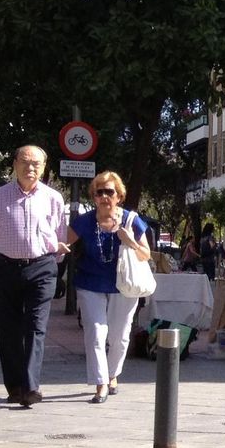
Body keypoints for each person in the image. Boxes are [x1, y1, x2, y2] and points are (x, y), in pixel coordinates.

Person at [0, 145, 72, 407]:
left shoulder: (54, 198)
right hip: (5, 268)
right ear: (14, 164)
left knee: (36, 327)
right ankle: (15, 387)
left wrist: (51, 260)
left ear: (44, 167)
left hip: (41, 268)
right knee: (7, 329)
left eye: (36, 163)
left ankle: (32, 387)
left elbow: (59, 236)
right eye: (25, 161)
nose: (30, 168)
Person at [68, 171, 151, 403]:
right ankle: (100, 383)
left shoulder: (131, 221)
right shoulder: (85, 221)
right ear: (94, 196)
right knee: (95, 333)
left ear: (119, 196)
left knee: (120, 336)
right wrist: (58, 248)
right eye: (99, 192)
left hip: (123, 286)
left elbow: (146, 255)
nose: (104, 196)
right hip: (90, 283)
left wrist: (130, 241)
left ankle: (113, 374)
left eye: (109, 192)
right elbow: (62, 242)